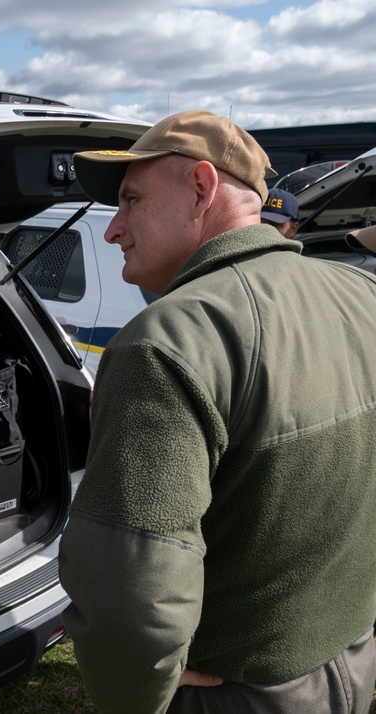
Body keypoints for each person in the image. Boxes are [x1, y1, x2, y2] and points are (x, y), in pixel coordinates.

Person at [58, 110, 376, 713]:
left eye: (130, 200)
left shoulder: (167, 339)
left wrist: (136, 694)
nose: (112, 229)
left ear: (202, 189)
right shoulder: (360, 292)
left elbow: (133, 594)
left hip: (233, 693)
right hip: (350, 663)